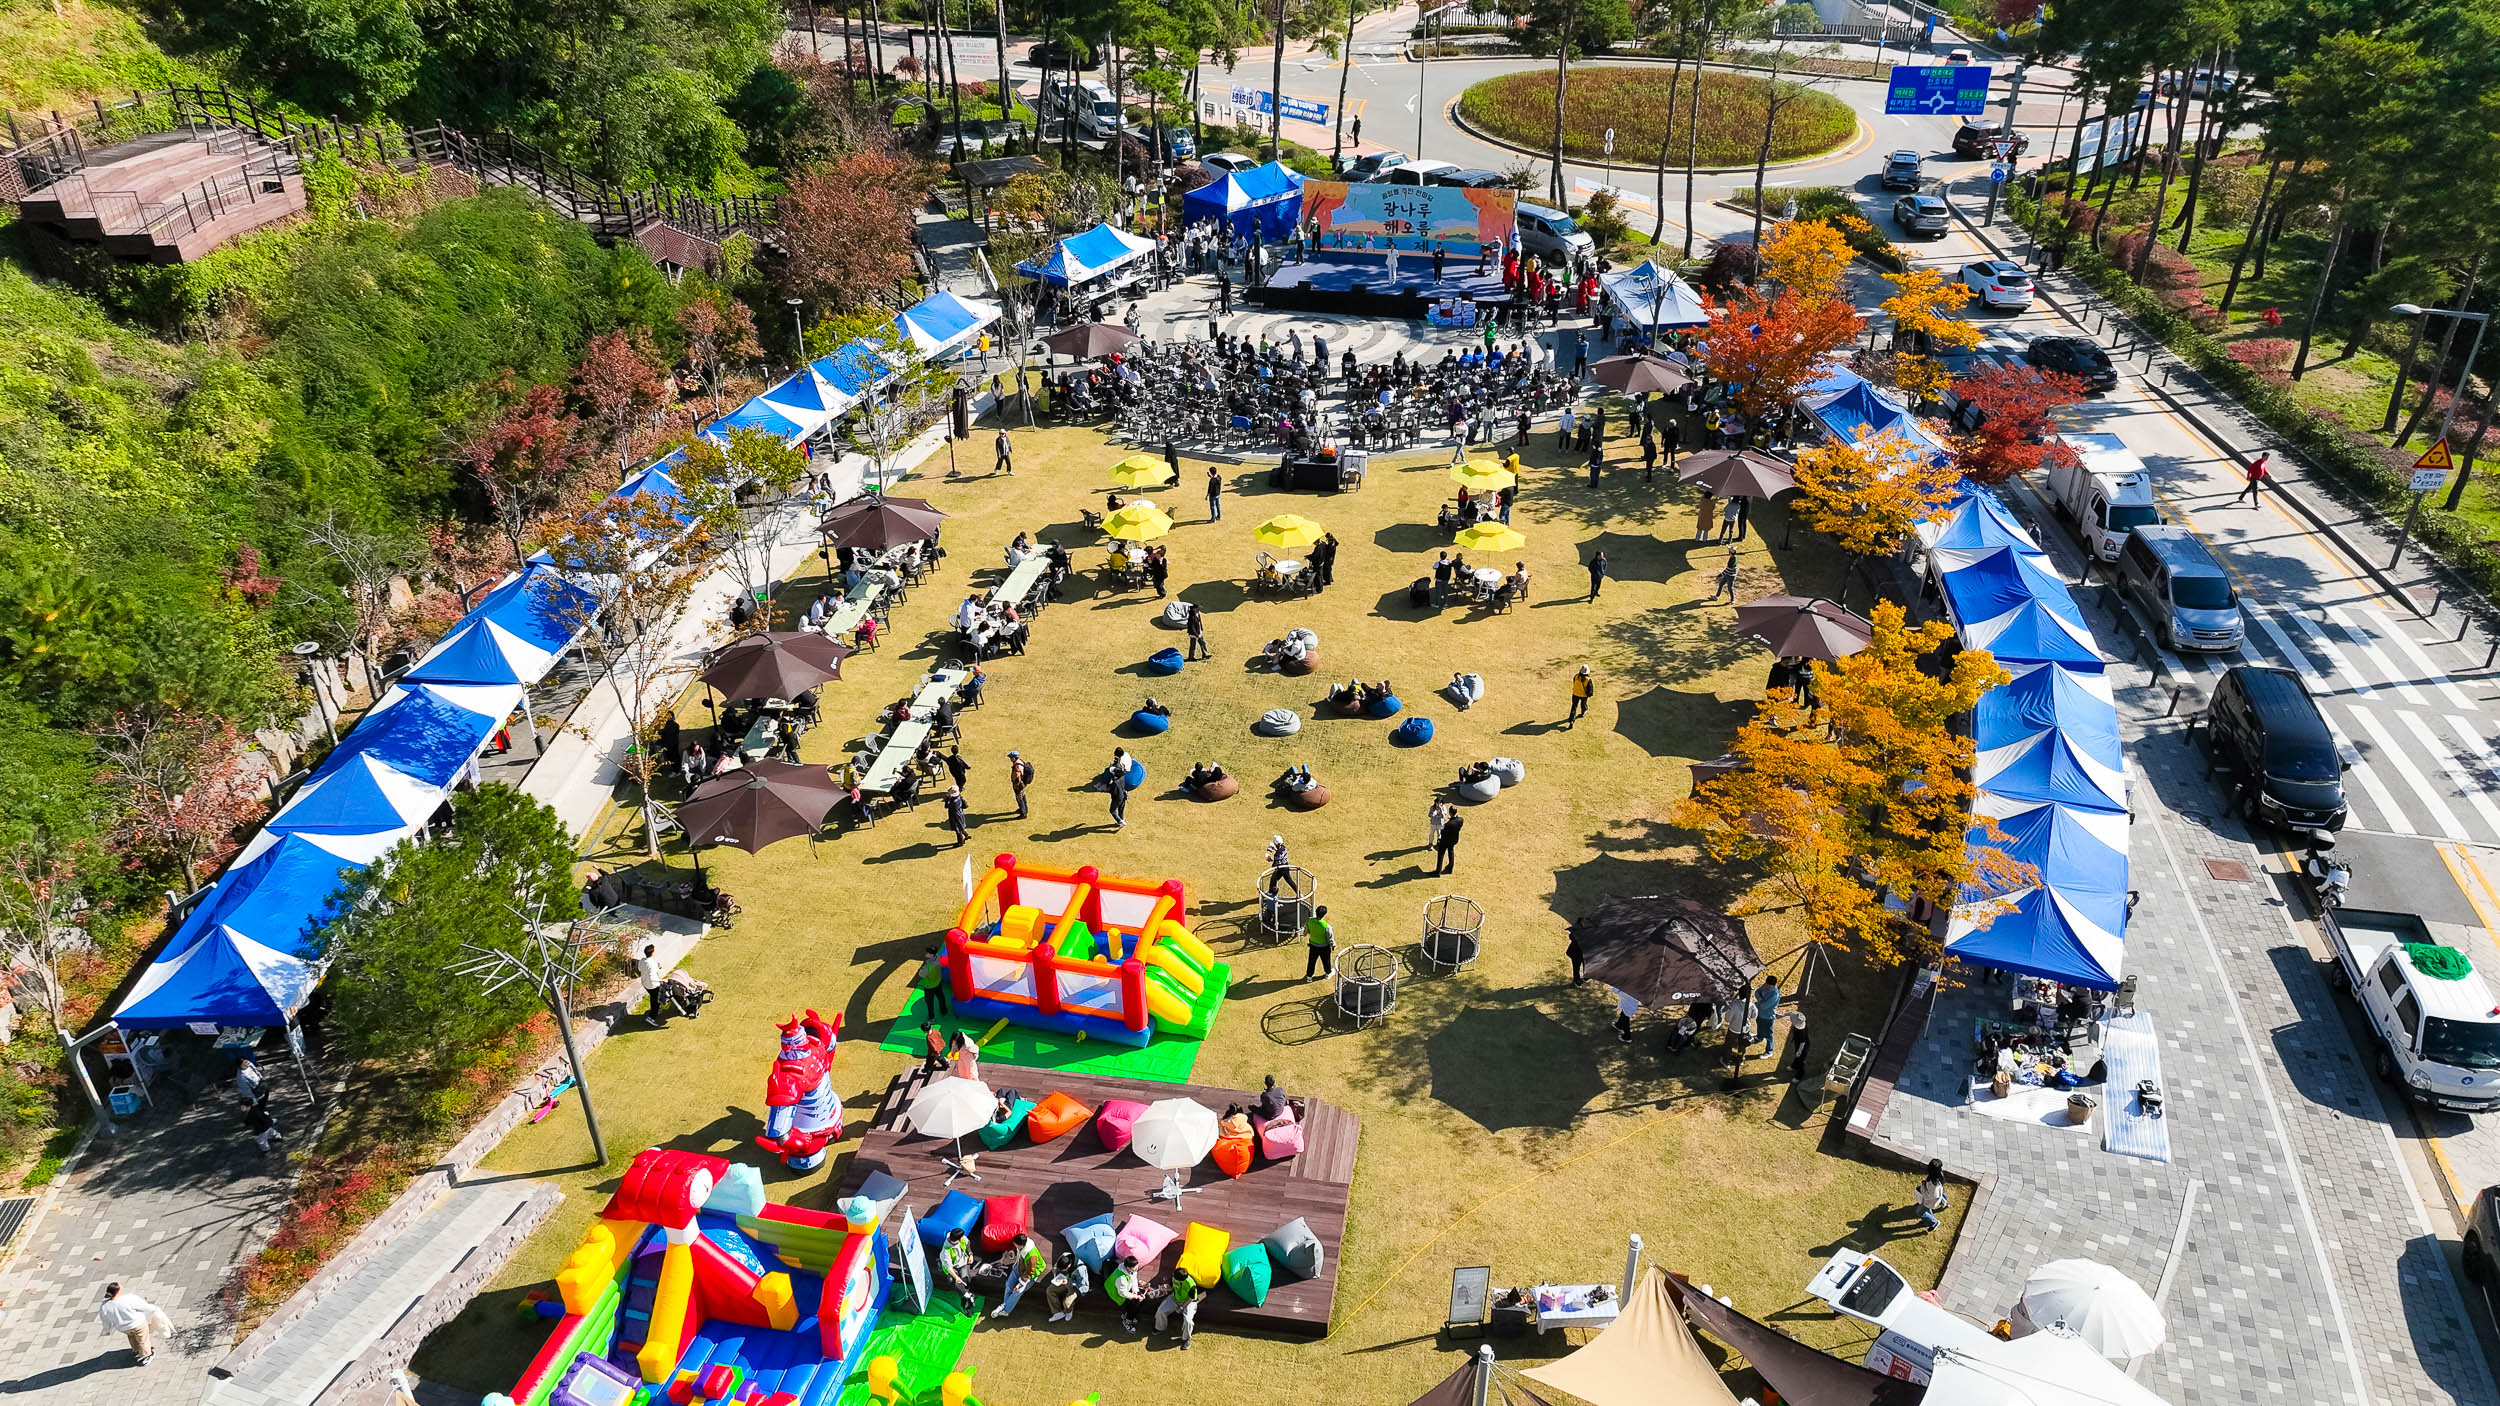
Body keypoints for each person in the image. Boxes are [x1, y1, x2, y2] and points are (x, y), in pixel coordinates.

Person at [99, 1282, 171, 1365]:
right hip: (137, 1324)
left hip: (123, 1328)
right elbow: (144, 1307)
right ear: (118, 1291)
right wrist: (154, 1309)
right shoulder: (127, 1299)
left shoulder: (104, 1306)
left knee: (131, 1336)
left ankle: (136, 1350)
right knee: (143, 1339)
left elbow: (104, 1319)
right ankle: (147, 1355)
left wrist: (107, 1330)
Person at [993, 1232, 1050, 1318]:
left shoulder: (1031, 1256)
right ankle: (1005, 1305)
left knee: (1018, 1291)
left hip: (1031, 1273)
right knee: (1008, 1285)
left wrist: (1020, 1284)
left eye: (1015, 1244)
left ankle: (1005, 1309)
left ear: (1021, 1245)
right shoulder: (1022, 1247)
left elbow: (1030, 1271)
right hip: (1020, 1266)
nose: (1014, 1245)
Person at [1155, 1266, 1204, 1347]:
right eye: (1173, 1276)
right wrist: (1166, 1288)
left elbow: (1191, 1298)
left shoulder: (1191, 1285)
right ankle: (1160, 1328)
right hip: (1175, 1297)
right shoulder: (1174, 1276)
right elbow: (1172, 1288)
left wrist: (1182, 1307)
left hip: (1188, 1302)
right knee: (1161, 1310)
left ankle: (1186, 1338)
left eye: (1174, 1277)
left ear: (1181, 1280)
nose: (1173, 1277)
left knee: (1188, 1321)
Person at [938, 1228, 981, 1312]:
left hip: (963, 1263)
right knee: (954, 1281)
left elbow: (968, 1245)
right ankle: (967, 1300)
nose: (963, 1238)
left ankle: (966, 1297)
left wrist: (970, 1255)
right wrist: (956, 1277)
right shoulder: (945, 1251)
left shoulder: (962, 1239)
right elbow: (948, 1267)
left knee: (965, 1280)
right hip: (953, 1268)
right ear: (957, 1240)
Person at [1043, 1248, 1090, 1321]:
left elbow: (1084, 1287)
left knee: (1067, 1303)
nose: (1062, 1271)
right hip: (1066, 1279)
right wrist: (1055, 1269)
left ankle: (1068, 1311)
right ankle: (1057, 1312)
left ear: (1068, 1266)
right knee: (1050, 1290)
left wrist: (1069, 1283)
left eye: (1063, 1269)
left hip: (1076, 1286)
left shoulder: (1081, 1269)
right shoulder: (1065, 1255)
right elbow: (1056, 1265)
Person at [1105, 1254, 1146, 1333]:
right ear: (1128, 1268)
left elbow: (1134, 1279)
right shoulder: (1121, 1278)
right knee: (1134, 1304)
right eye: (1135, 1267)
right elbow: (1122, 1293)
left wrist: (1136, 1291)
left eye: (1137, 1266)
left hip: (1125, 1288)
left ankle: (1129, 1315)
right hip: (1116, 1293)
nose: (1137, 1269)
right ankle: (1127, 1320)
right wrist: (1135, 1296)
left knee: (1140, 1298)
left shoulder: (1132, 1269)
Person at [637, 943, 668, 1026]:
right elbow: (653, 975)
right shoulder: (651, 963)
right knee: (656, 1001)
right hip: (653, 985)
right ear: (652, 952)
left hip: (645, 983)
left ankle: (655, 1011)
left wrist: (658, 966)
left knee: (653, 997)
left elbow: (641, 968)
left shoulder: (642, 960)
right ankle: (651, 1017)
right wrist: (661, 980)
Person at [1914, 1158, 1950, 1230]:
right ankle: (1927, 1221)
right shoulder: (1936, 1176)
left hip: (1929, 1201)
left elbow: (1928, 1196)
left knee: (1919, 1212)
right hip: (1929, 1201)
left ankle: (1934, 1222)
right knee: (1926, 1210)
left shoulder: (1934, 1185)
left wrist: (1923, 1186)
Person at [1304, 904, 1335, 980]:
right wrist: (1333, 945)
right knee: (1326, 960)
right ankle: (1328, 973)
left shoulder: (1309, 920)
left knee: (1311, 961)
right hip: (1324, 947)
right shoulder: (1326, 926)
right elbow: (1330, 938)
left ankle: (1309, 976)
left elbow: (1306, 932)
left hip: (1313, 945)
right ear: (1324, 915)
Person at [1434, 810, 1464, 875]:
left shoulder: (1448, 824)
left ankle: (1437, 871)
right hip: (1454, 840)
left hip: (1445, 841)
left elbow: (1443, 833)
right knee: (1451, 851)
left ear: (1450, 813)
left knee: (1441, 854)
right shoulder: (1461, 820)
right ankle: (1450, 868)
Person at [1787, 1008, 1813, 1080]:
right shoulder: (1798, 1017)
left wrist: (1799, 1051)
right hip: (1798, 1043)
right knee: (1797, 1057)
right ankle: (1794, 1066)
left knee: (1800, 1059)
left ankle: (1799, 1075)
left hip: (1803, 1046)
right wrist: (1781, 1015)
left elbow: (1803, 1042)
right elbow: (1791, 1013)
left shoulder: (1802, 1030)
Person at [1007, 750, 1033, 821]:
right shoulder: (1020, 761)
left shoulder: (1017, 766)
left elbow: (1017, 777)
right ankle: (1024, 809)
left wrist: (1016, 786)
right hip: (1022, 783)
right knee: (1022, 796)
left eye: (1011, 757)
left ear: (1014, 758)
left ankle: (1023, 813)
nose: (1010, 759)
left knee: (1019, 798)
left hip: (1019, 785)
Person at [1106, 760, 1130, 830]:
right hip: (1124, 795)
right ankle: (1122, 819)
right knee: (1121, 810)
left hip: (1118, 797)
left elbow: (1113, 791)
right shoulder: (1122, 777)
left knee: (1112, 810)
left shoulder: (1114, 782)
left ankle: (1120, 821)